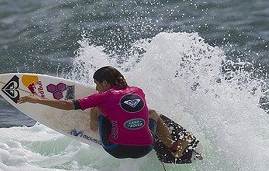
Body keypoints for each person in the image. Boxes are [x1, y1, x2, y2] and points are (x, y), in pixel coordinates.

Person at [17, 66, 189, 159]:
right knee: (152, 113)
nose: (96, 88)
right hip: (145, 149)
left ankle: (93, 125)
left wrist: (35, 99)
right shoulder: (138, 91)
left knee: (98, 108)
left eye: (97, 84)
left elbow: (67, 105)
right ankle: (172, 145)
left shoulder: (102, 97)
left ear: (105, 83)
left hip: (116, 149)